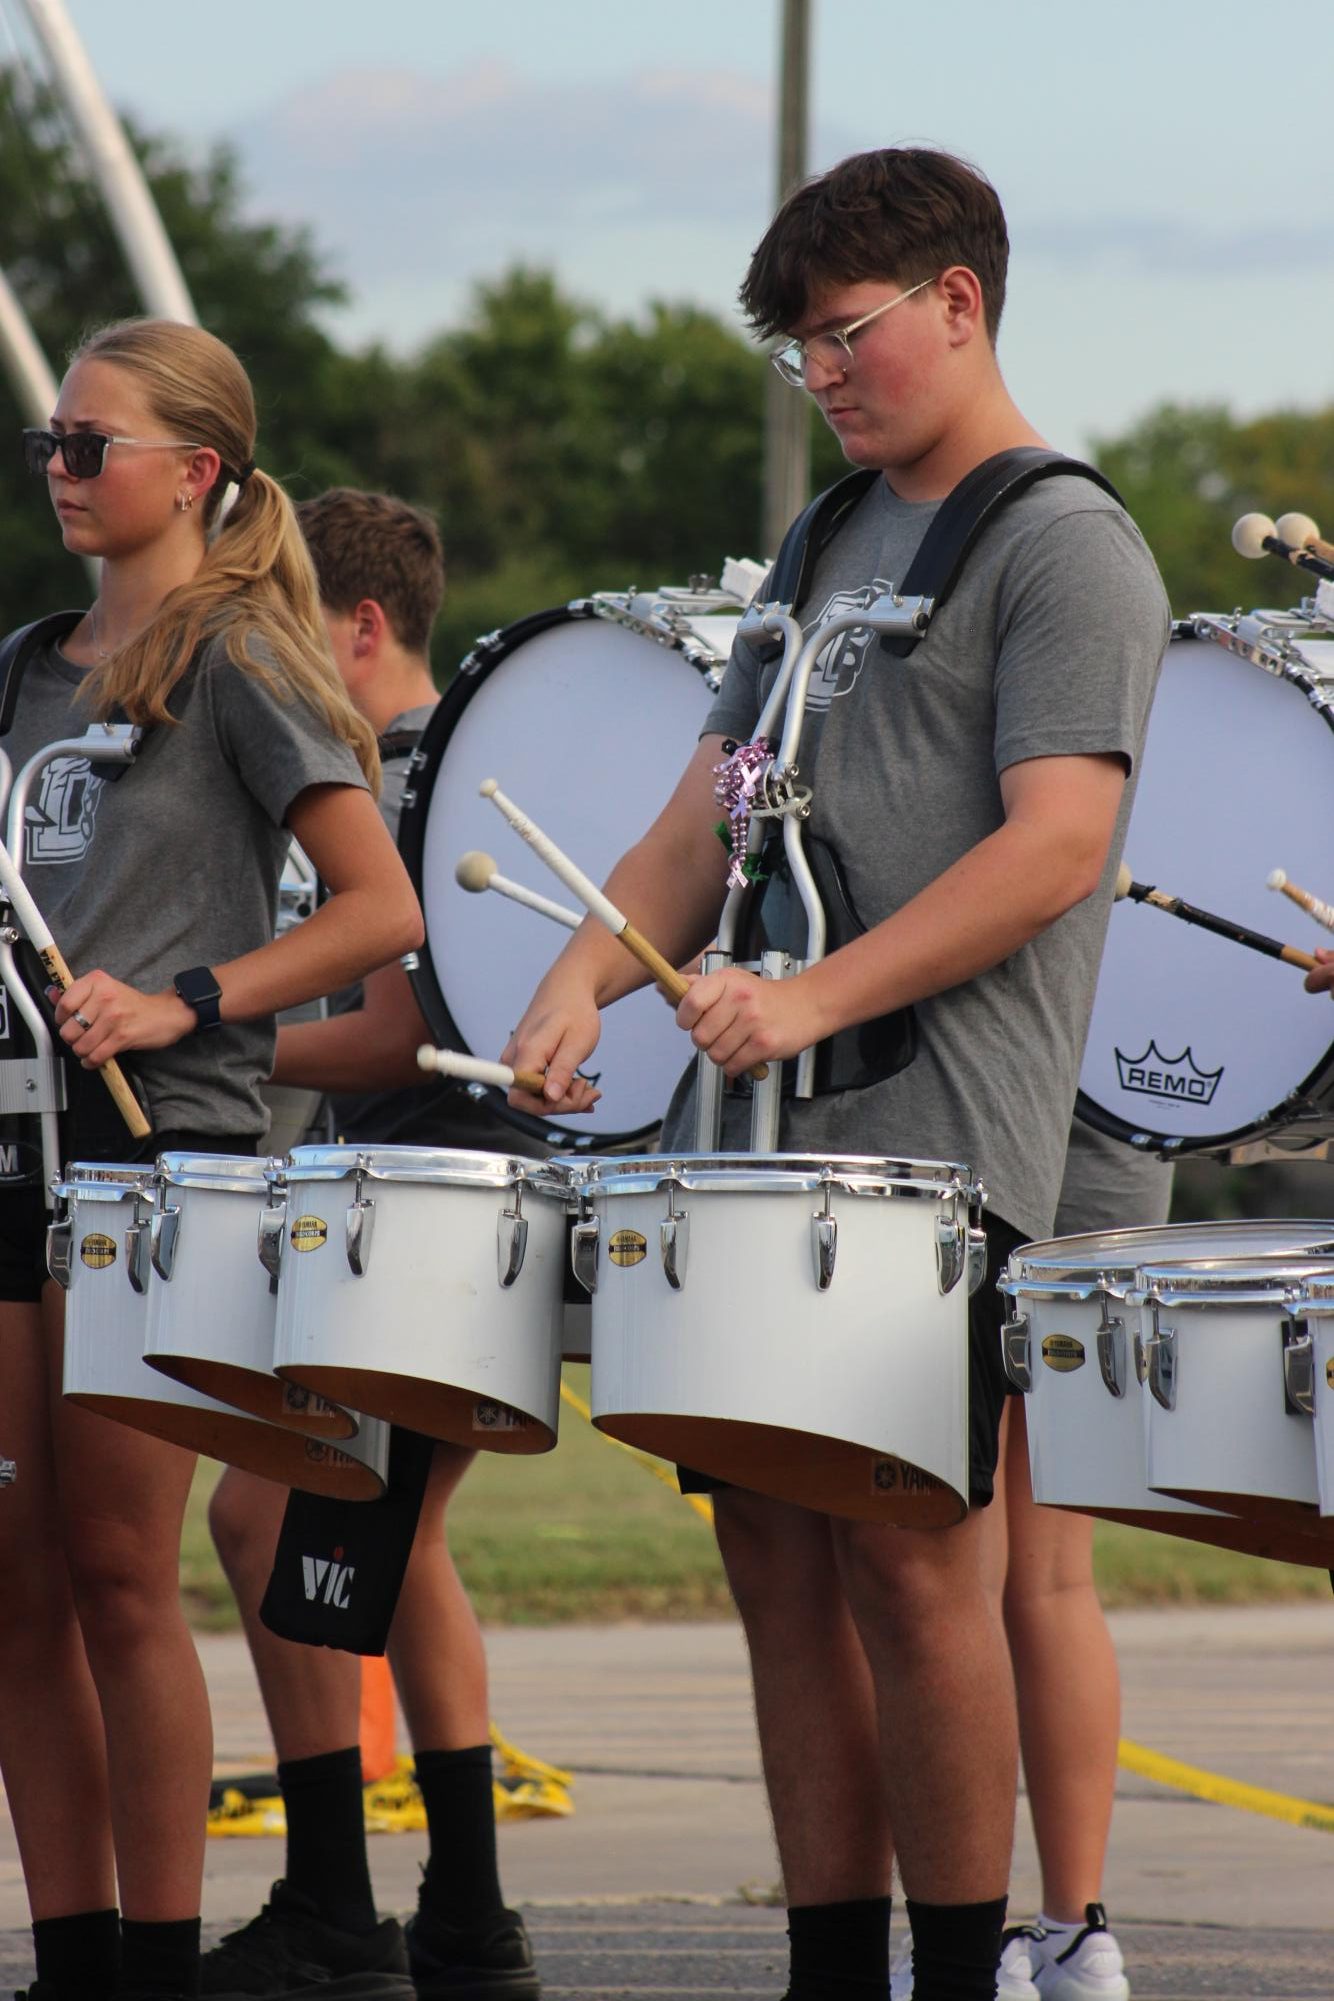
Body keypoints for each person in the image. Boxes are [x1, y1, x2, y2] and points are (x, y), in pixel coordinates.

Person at [503, 147, 1169, 2001]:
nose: (823, 374)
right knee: (777, 1582)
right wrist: (580, 979)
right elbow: (710, 812)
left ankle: (955, 1972)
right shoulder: (817, 548)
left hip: (929, 1151)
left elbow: (1054, 842)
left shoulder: (1063, 542)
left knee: (908, 1574)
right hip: (749, 1150)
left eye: (845, 334)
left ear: (957, 302)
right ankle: (827, 1967)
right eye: (797, 350)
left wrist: (805, 1003)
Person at [0, 321, 423, 2001]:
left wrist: (188, 1001)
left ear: (197, 471)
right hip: (13, 1139)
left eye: (88, 442)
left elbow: (379, 912)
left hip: (155, 1166)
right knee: (17, 1581)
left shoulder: (241, 657)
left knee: (118, 1567)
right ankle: (76, 1957)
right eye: (48, 438)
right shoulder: (28, 663)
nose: (57, 466)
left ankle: (161, 1964)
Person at [202, 488, 540, 2001]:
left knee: (261, 1523)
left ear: (358, 624)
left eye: (284, 632)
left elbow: (403, 1025)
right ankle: (465, 1922)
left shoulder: (423, 776)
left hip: (448, 1195)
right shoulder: (373, 765)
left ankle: (341, 1909)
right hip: (393, 1196)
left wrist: (204, 1042)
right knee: (394, 1554)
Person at [892, 1120, 1173, 2001]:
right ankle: (1074, 1936)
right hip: (1122, 1127)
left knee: (950, 1574)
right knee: (1054, 1575)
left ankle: (964, 1938)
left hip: (983, 1122)